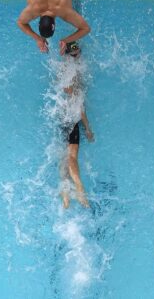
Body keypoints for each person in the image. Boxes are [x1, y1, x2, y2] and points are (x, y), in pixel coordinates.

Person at [60, 42, 94, 208]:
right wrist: (87, 128)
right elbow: (79, 108)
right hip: (72, 119)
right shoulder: (76, 77)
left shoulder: (64, 70)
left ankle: (65, 195)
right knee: (72, 157)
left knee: (65, 157)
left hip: (62, 117)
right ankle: (79, 189)